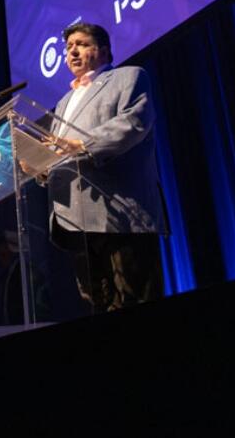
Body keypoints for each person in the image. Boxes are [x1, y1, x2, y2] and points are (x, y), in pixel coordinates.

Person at [46, 22, 168, 312]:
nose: (71, 51)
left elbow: (134, 122)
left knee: (136, 299)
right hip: (76, 217)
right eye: (68, 47)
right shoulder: (62, 102)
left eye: (81, 44)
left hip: (121, 211)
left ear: (103, 50)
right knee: (99, 306)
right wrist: (42, 165)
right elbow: (58, 149)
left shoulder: (128, 77)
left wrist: (84, 144)